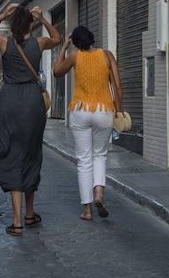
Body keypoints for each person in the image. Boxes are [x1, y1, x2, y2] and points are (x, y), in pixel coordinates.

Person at [0, 4, 62, 237]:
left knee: (11, 153)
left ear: (13, 24)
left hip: (9, 101)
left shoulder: (5, 43)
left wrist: (1, 16)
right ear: (30, 24)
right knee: (31, 153)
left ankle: (17, 220)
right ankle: (29, 212)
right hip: (32, 102)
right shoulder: (38, 44)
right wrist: (43, 19)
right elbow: (57, 38)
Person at [52, 25, 121, 221]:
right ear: (91, 38)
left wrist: (64, 48)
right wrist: (119, 109)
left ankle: (87, 210)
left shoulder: (74, 56)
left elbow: (57, 71)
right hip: (104, 111)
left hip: (80, 111)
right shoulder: (107, 55)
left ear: (75, 42)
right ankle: (99, 192)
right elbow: (116, 85)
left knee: (84, 160)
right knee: (100, 154)